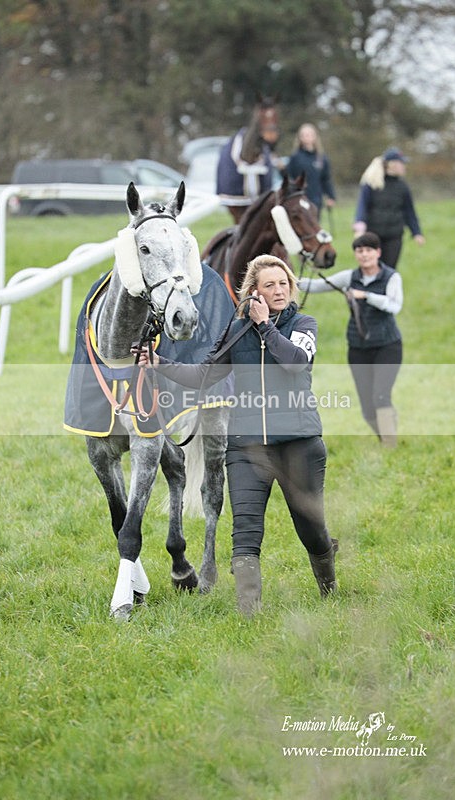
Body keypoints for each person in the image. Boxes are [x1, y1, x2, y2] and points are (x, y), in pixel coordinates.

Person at [136, 255, 337, 615]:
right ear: (253, 293)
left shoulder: (304, 324)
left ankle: (329, 587)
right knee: (244, 531)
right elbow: (202, 376)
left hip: (299, 444)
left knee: (311, 529)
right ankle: (249, 613)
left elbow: (294, 362)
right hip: (246, 448)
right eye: (269, 285)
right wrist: (158, 363)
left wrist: (266, 328)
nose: (278, 291)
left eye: (283, 284)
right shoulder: (237, 331)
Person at [299, 232, 403, 447]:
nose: (364, 255)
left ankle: (390, 446)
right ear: (356, 254)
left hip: (387, 345)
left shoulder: (391, 277)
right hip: (358, 347)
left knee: (381, 395)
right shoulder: (350, 277)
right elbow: (317, 286)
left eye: (368, 250)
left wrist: (366, 296)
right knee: (367, 407)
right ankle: (385, 435)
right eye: (360, 251)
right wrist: (284, 279)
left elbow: (394, 305)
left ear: (378, 253)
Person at [353, 147, 425, 269]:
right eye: (402, 163)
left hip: (394, 236)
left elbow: (409, 211)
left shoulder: (402, 187)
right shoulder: (372, 184)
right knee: (372, 268)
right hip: (374, 235)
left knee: (389, 270)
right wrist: (360, 227)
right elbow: (362, 206)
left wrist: (416, 232)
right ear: (392, 164)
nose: (404, 166)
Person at [287, 123, 336, 215]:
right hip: (299, 198)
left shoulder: (321, 158)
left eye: (309, 134)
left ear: (315, 136)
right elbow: (290, 177)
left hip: (316, 199)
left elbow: (326, 179)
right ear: (300, 138)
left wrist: (331, 196)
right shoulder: (295, 157)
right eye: (304, 135)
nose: (307, 137)